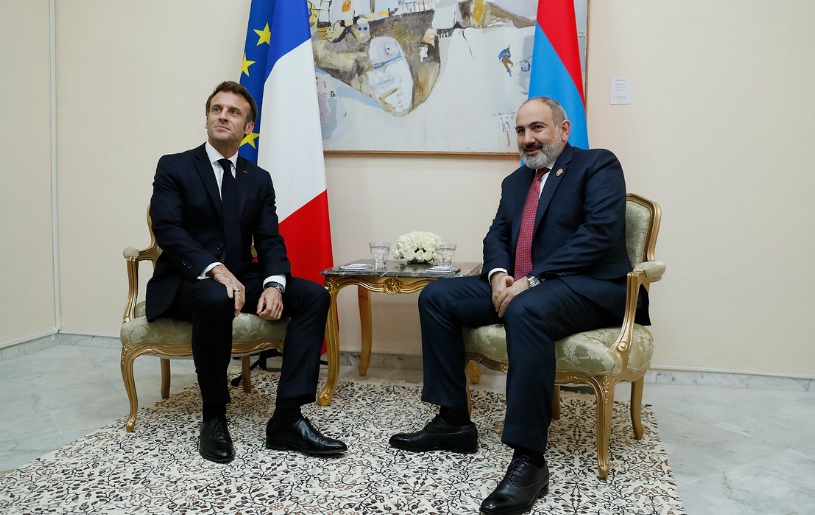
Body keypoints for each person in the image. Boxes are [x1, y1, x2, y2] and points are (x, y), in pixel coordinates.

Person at [389, 97, 649, 514]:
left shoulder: (597, 164)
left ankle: (529, 460)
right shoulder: (515, 181)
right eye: (521, 131)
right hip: (525, 286)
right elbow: (497, 235)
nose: (528, 139)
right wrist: (497, 275)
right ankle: (453, 421)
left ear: (563, 129)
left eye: (537, 128)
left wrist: (532, 279)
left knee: (525, 308)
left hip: (587, 288)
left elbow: (599, 234)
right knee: (437, 297)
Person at [146, 81, 346, 464]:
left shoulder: (258, 178)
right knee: (215, 296)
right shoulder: (175, 166)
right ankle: (214, 417)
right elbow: (168, 229)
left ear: (248, 127)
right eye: (216, 109)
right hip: (187, 281)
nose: (222, 116)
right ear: (207, 118)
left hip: (242, 277)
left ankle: (287, 418)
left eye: (233, 112)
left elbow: (269, 239)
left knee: (313, 296)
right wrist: (215, 269)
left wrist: (274, 284)